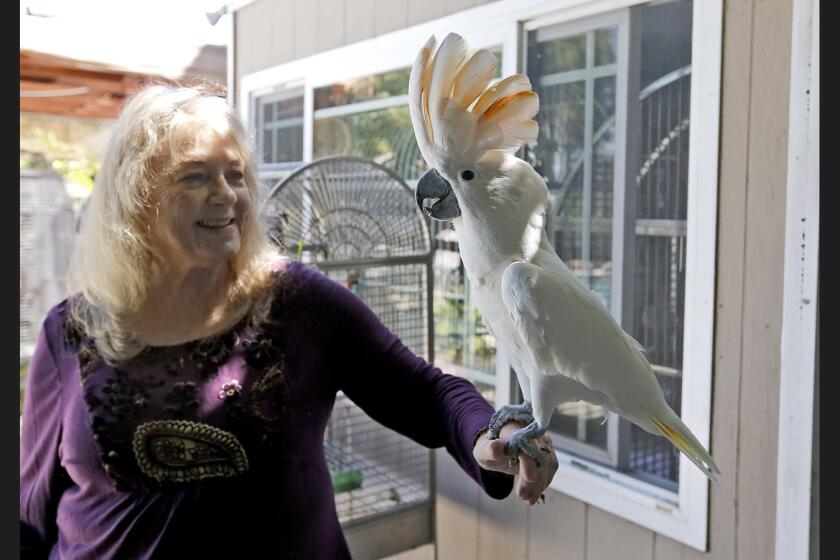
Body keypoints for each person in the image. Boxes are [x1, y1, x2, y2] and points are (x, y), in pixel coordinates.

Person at [19, 84, 558, 559]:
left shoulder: (298, 304)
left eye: (236, 175)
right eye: (195, 176)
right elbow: (30, 511)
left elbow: (424, 391)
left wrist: (496, 431)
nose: (226, 194)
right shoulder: (71, 332)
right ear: (136, 198)